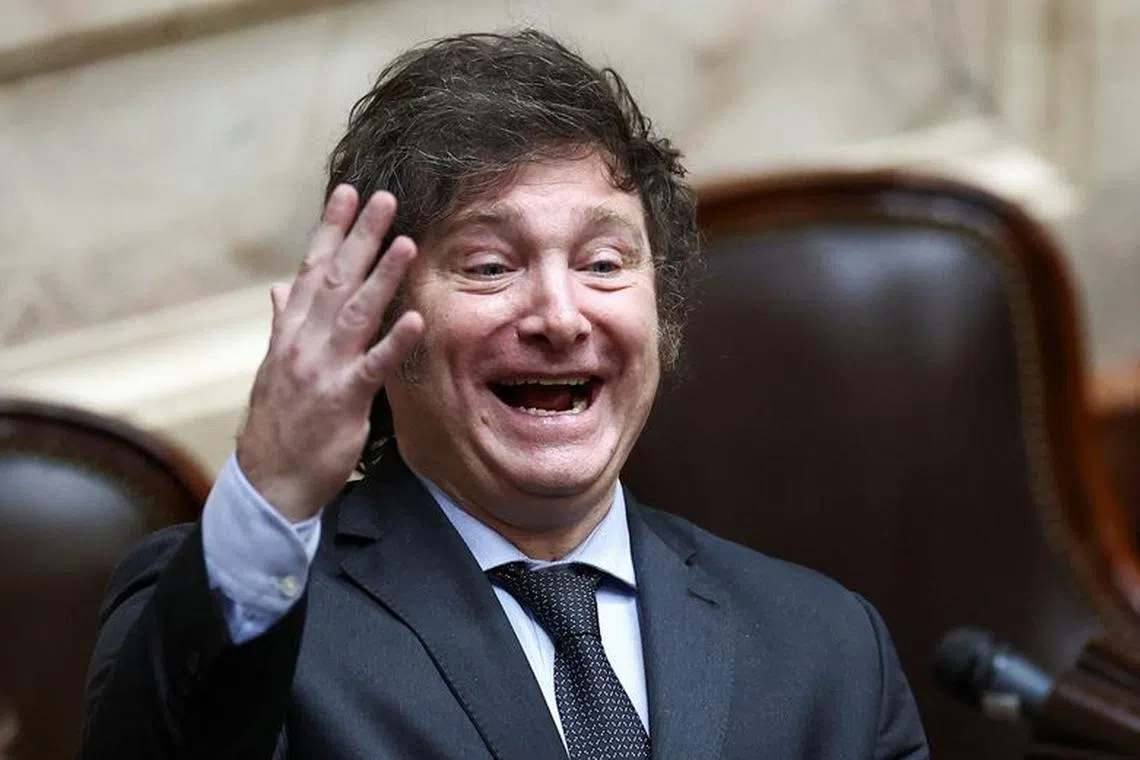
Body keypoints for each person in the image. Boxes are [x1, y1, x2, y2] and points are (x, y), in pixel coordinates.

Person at [80, 30, 929, 760]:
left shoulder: (826, 649)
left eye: (603, 264)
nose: (559, 316)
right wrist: (274, 488)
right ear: (378, 315)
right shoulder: (249, 612)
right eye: (490, 266)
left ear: (660, 315)